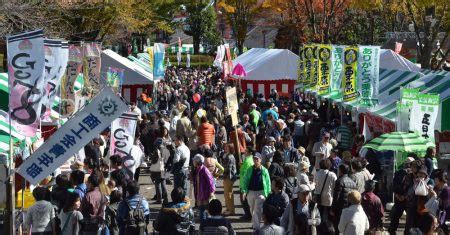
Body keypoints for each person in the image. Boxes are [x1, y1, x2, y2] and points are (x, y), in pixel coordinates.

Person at [241, 152, 271, 230]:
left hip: (261, 192)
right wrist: (244, 191)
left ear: (260, 160)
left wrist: (268, 194)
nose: (255, 160)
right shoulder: (249, 169)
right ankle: (255, 223)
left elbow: (268, 183)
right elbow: (245, 180)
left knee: (257, 209)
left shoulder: (264, 170)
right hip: (251, 192)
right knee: (252, 209)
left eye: (257, 159)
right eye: (254, 159)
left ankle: (256, 228)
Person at [389, 157, 415, 234]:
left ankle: (394, 231)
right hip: (404, 199)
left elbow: (393, 185)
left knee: (399, 218)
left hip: (404, 199)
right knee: (405, 219)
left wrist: (400, 196)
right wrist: (400, 196)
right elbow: (394, 186)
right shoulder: (402, 173)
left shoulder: (412, 175)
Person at [313, 159, 337, 235]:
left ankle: (319, 230)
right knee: (327, 217)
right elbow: (335, 187)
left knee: (318, 215)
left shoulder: (317, 173)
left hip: (318, 198)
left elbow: (315, 184)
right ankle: (327, 231)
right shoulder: (332, 175)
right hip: (328, 198)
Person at [331, 164, 357, 232]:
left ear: (340, 171)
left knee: (338, 228)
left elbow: (336, 196)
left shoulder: (339, 181)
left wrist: (333, 209)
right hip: (349, 207)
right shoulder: (353, 182)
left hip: (340, 208)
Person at [192, 154, 216, 222]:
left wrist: (211, 191)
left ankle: (205, 225)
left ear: (197, 162)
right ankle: (204, 225)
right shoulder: (197, 169)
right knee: (202, 210)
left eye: (194, 160)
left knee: (204, 210)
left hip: (205, 193)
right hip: (200, 193)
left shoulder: (204, 170)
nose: (193, 162)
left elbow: (211, 181)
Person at [150, 138, 169, 204]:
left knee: (157, 184)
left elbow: (154, 161)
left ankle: (159, 199)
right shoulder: (166, 149)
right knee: (163, 184)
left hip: (158, 169)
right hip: (164, 169)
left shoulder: (157, 150)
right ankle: (166, 198)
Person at [239, 147, 255, 220]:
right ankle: (249, 214)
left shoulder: (248, 161)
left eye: (246, 151)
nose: (244, 152)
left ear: (249, 153)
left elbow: (243, 171)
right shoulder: (251, 159)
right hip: (248, 183)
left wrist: (241, 166)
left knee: (244, 200)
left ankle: (248, 215)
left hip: (245, 183)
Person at [222, 143, 237, 216]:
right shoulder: (227, 155)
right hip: (226, 176)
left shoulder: (230, 157)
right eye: (225, 147)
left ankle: (231, 210)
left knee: (229, 194)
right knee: (226, 194)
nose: (225, 148)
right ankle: (228, 208)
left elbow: (228, 168)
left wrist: (221, 170)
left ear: (230, 148)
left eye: (227, 147)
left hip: (229, 177)